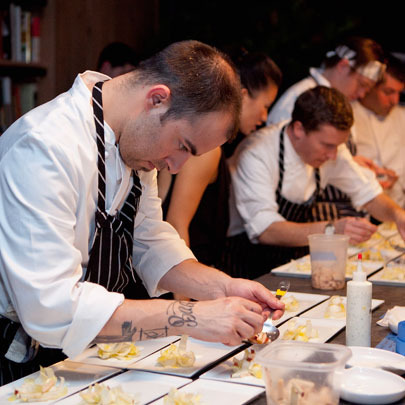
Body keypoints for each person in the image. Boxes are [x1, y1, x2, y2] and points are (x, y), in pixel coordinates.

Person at [0, 40, 284, 385]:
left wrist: (223, 287)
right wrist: (192, 316)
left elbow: (149, 240)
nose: (175, 167)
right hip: (17, 360)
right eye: (183, 146)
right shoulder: (43, 147)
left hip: (75, 352)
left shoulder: (133, 143)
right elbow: (52, 308)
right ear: (157, 99)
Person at [224, 86, 405, 279]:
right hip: (249, 264)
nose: (333, 155)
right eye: (327, 145)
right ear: (299, 129)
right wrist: (332, 229)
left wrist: (398, 215)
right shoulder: (257, 153)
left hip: (291, 261)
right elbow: (266, 230)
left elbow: (368, 193)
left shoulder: (332, 150)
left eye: (337, 146)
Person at [158, 51, 282, 272]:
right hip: (180, 268)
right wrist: (186, 290)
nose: (265, 117)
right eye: (265, 105)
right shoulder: (206, 149)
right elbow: (176, 225)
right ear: (243, 96)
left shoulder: (216, 147)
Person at [267, 36, 391, 220]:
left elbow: (337, 161)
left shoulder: (343, 103)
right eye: (362, 84)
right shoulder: (299, 99)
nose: (362, 94)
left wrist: (352, 163)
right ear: (343, 66)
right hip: (303, 217)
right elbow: (287, 168)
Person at [351, 54, 405, 207]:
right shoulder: (348, 114)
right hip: (360, 208)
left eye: (399, 93)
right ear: (369, 87)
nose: (394, 101)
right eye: (388, 92)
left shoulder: (402, 116)